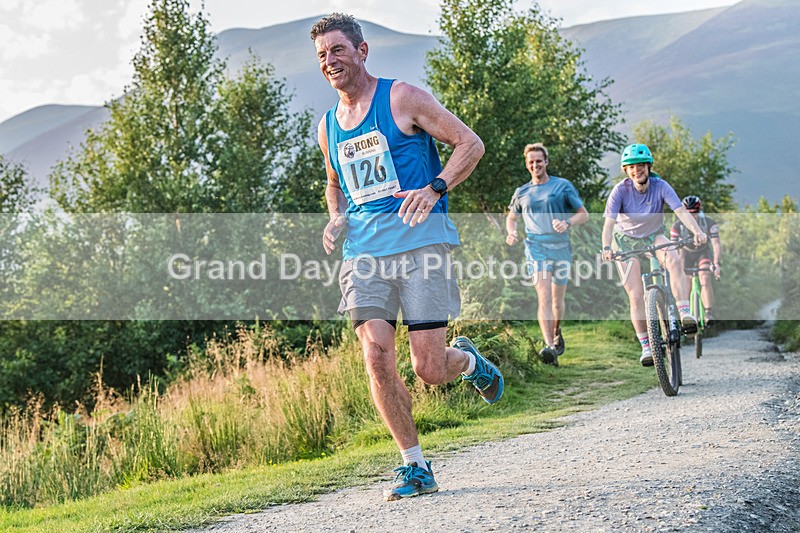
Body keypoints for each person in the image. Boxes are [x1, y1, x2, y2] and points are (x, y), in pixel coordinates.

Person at [310, 13, 503, 502]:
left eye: (337, 50)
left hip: (421, 244)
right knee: (376, 356)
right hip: (363, 255)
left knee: (429, 369)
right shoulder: (328, 126)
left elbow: (470, 143)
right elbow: (335, 185)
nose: (330, 61)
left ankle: (471, 363)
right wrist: (336, 217)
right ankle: (415, 466)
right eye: (322, 55)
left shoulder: (401, 98)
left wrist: (436, 188)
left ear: (361, 51)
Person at [601, 144, 708, 366]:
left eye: (640, 166)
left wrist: (697, 231)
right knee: (635, 294)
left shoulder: (661, 186)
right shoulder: (620, 191)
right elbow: (609, 224)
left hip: (653, 235)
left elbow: (680, 211)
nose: (636, 170)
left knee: (674, 259)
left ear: (648, 166)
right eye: (631, 167)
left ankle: (684, 311)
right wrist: (606, 247)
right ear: (625, 170)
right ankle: (646, 347)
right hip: (625, 240)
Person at [505, 143, 588, 365]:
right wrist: (511, 232)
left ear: (546, 162)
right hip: (535, 247)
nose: (535, 165)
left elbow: (583, 214)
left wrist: (567, 222)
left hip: (560, 246)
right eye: (531, 162)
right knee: (543, 295)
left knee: (557, 300)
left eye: (539, 161)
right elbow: (512, 218)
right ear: (527, 164)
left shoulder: (562, 186)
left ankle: (557, 329)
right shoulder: (521, 192)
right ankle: (550, 347)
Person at [670, 195, 722, 325]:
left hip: (702, 253)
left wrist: (716, 263)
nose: (692, 216)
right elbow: (673, 248)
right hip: (685, 253)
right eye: (689, 213)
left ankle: (708, 313)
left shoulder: (709, 223)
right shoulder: (677, 226)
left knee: (704, 277)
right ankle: (686, 313)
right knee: (685, 279)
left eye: (695, 213)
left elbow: (716, 244)